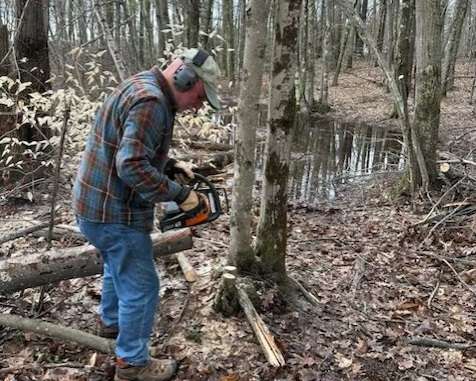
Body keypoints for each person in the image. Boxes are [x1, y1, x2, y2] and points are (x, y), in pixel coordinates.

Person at [72, 48, 220, 381]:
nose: (199, 104)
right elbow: (131, 166)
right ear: (185, 78)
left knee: (116, 264)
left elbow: (127, 148)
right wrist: (180, 195)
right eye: (200, 96)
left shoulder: (142, 85)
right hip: (114, 213)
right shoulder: (152, 104)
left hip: (93, 206)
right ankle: (132, 365)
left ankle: (111, 324)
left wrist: (167, 167)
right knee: (142, 286)